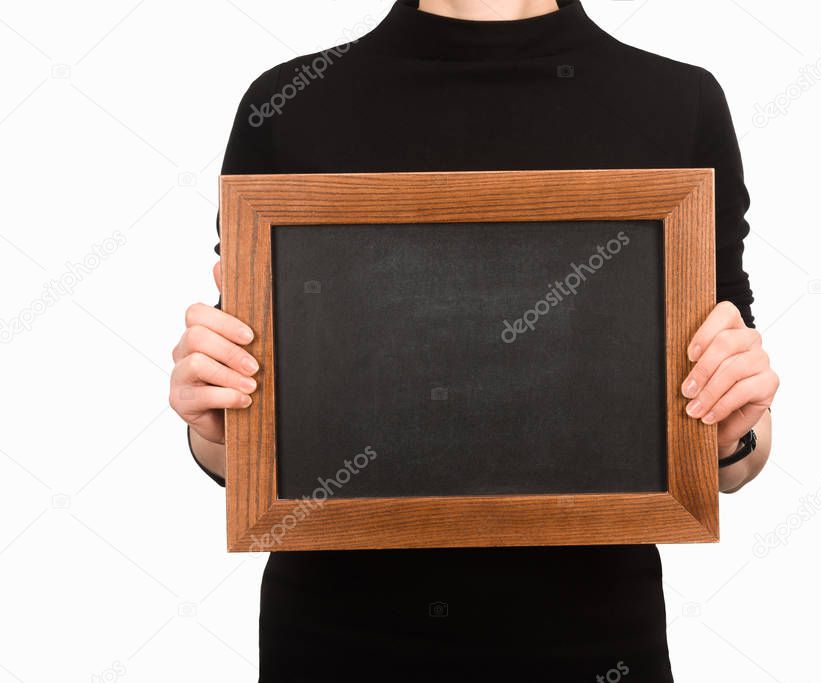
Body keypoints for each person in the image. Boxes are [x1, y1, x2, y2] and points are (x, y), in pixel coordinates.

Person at [169, 1, 779, 680]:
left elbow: (733, 445)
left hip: (592, 641)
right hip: (336, 642)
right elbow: (244, 423)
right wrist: (216, 426)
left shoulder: (676, 102)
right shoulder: (289, 104)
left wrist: (732, 433)